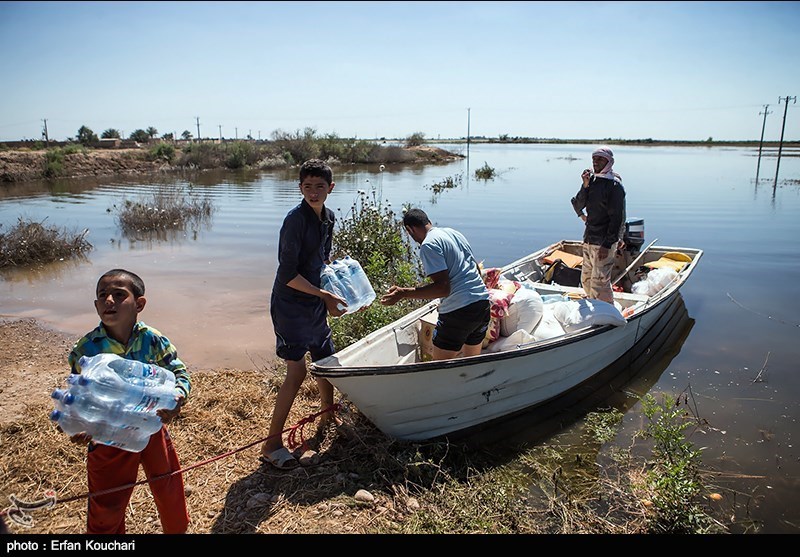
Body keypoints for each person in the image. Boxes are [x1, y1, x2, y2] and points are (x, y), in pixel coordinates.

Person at [66, 268, 191, 534]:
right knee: (107, 503)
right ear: (96, 305)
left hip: (151, 428)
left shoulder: (153, 340)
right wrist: (79, 424)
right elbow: (79, 397)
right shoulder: (86, 349)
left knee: (168, 487)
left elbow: (179, 372)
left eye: (119, 295)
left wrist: (178, 397)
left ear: (139, 303)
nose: (109, 300)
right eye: (103, 295)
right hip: (108, 437)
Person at [260, 159, 347, 471]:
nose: (313, 192)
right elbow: (287, 275)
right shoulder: (294, 221)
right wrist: (324, 295)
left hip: (313, 301)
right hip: (290, 306)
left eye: (319, 187)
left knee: (326, 362)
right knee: (296, 373)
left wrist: (338, 285)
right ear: (299, 188)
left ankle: (328, 413)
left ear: (330, 189)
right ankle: (272, 445)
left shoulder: (329, 217)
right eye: (307, 187)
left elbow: (322, 261)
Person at [381, 208, 490, 360]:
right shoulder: (453, 233)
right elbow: (476, 270)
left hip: (458, 312)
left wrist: (403, 293)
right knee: (472, 364)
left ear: (409, 230)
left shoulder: (428, 244)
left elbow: (443, 289)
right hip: (482, 305)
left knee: (439, 369)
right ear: (428, 221)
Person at [570, 147, 627, 304]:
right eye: (594, 159)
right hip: (589, 239)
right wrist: (585, 185)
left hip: (603, 242)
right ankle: (595, 309)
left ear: (609, 162)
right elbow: (577, 204)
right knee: (586, 279)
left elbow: (617, 218)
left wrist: (608, 244)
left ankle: (606, 312)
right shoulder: (592, 181)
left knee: (600, 283)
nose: (596, 162)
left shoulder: (614, 187)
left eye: (600, 159)